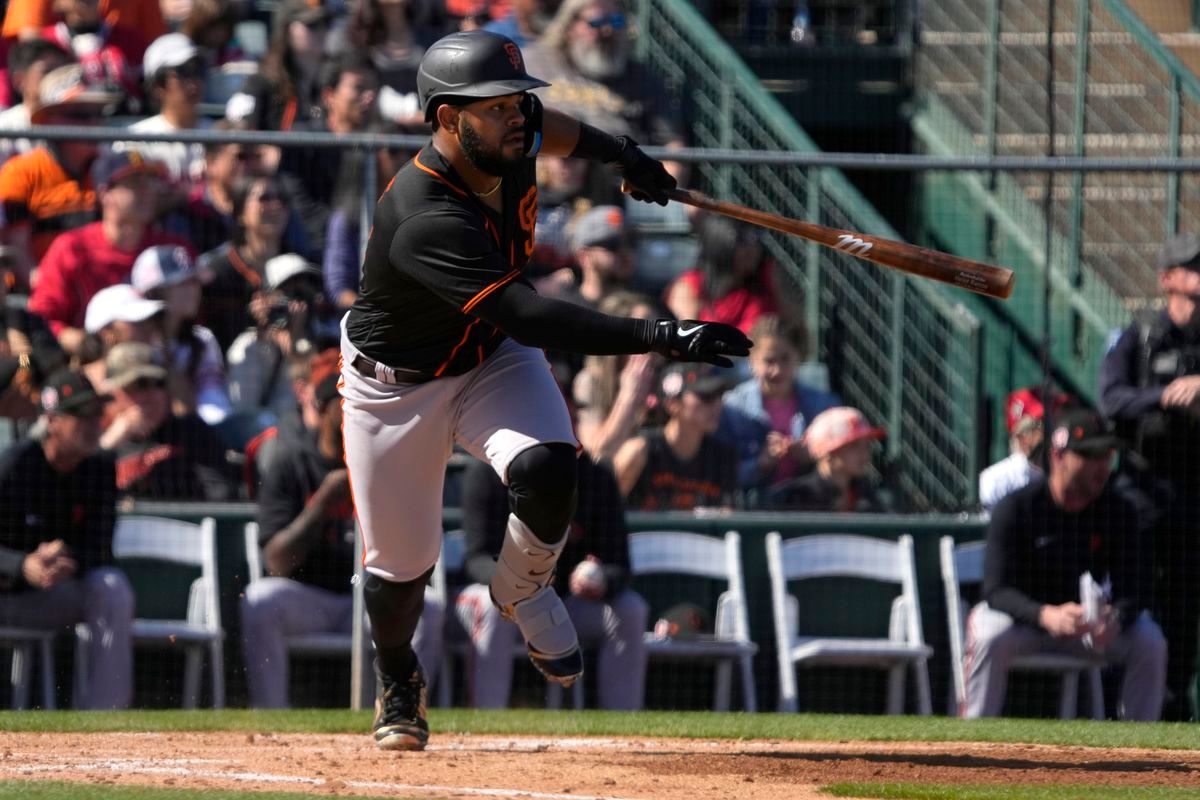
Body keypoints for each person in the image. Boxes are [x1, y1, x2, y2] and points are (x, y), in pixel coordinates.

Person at [338, 30, 749, 750]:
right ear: (445, 119)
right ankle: (398, 678)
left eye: (517, 102)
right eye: (493, 108)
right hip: (396, 389)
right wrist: (660, 334)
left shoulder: (511, 139)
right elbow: (528, 312)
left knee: (552, 465)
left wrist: (625, 157)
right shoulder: (424, 212)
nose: (516, 118)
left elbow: (554, 128)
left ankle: (521, 590)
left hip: (488, 358)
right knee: (401, 567)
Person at [242, 348, 443, 708]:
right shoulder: (291, 463)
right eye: (346, 395)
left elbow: (414, 557)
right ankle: (271, 716)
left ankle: (402, 708)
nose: (359, 405)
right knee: (261, 601)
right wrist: (322, 502)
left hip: (368, 598)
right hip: (312, 598)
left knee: (428, 607)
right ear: (322, 406)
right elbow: (276, 561)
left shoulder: (387, 463)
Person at [963, 408, 1166, 721]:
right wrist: (1045, 614)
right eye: (1089, 455)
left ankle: (1143, 753)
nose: (1101, 466)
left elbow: (1137, 585)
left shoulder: (1117, 509)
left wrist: (1117, 617)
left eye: (1106, 455)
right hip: (1025, 623)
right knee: (988, 631)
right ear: (1058, 456)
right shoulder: (1018, 507)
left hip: (1084, 628)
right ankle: (972, 742)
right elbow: (996, 590)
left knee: (1149, 640)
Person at [455, 449, 647, 709]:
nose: (566, 424)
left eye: (571, 415)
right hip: (504, 600)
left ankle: (624, 724)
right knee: (490, 607)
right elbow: (476, 559)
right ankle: (487, 718)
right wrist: (518, 584)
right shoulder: (489, 473)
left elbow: (619, 565)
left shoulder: (594, 476)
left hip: (565, 601)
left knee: (630, 609)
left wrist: (602, 580)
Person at [1099, 232, 1200, 720]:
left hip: (1193, 492)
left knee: (1185, 607)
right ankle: (1119, 708)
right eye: (1193, 267)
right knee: (1133, 598)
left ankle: (1175, 707)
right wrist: (1164, 396)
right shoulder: (1137, 337)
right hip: (1139, 490)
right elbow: (1111, 400)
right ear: (1167, 279)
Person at [0, 368, 133, 709]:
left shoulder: (100, 467)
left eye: (96, 413)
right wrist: (22, 564)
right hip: (6, 595)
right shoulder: (15, 464)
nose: (93, 423)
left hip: (48, 596)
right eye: (81, 414)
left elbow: (102, 548)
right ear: (53, 421)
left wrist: (64, 561)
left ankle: (106, 717)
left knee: (111, 586)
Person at [28, 150, 187, 357]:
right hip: (89, 364)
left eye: (150, 182)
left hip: (160, 360)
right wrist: (80, 341)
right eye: (135, 184)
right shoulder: (72, 248)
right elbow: (40, 317)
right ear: (105, 193)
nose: (148, 191)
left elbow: (191, 317)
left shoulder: (170, 249)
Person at [0, 63, 120, 287]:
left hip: (100, 293)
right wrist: (54, 295)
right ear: (49, 120)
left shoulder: (111, 171)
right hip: (41, 299)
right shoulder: (21, 173)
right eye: (80, 115)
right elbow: (20, 258)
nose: (93, 124)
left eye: (97, 114)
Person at [718, 313, 839, 497]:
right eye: (769, 361)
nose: (778, 370)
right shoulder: (732, 407)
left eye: (785, 359)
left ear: (798, 357)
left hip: (808, 506)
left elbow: (840, 471)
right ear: (752, 361)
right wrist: (760, 463)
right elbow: (720, 475)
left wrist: (814, 456)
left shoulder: (823, 405)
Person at [99, 341, 237, 501]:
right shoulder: (95, 435)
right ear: (113, 393)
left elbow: (222, 495)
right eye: (138, 385)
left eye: (159, 383)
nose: (151, 395)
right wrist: (108, 445)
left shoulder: (192, 432)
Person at [612, 362, 739, 511]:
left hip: (696, 535)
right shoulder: (640, 452)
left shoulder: (723, 458)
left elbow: (727, 517)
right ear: (672, 404)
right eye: (706, 396)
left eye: (719, 396)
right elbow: (604, 510)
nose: (717, 404)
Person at [130, 245, 230, 426]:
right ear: (154, 292)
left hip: (191, 435)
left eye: (195, 281)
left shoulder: (202, 339)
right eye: (182, 283)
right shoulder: (136, 340)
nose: (194, 290)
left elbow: (213, 402)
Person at [225, 0, 336, 131]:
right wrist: (264, 149)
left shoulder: (332, 83)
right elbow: (238, 133)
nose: (321, 31)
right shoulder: (261, 83)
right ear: (286, 30)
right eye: (312, 25)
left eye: (326, 24)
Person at [116, 32, 210, 185]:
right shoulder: (135, 139)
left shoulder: (221, 135)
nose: (194, 82)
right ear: (157, 85)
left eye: (199, 70)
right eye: (183, 72)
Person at [765, 405, 892, 512]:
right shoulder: (791, 499)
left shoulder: (868, 498)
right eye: (854, 445)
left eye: (867, 445)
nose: (864, 453)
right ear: (826, 451)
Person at [979, 386, 1070, 512]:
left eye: (1059, 419)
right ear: (1022, 437)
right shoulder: (995, 481)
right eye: (1045, 424)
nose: (1057, 430)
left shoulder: (1071, 475)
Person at [0, 39, 71, 163]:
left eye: (60, 71)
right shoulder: (4, 126)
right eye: (47, 71)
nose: (57, 78)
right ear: (19, 81)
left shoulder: (78, 123)